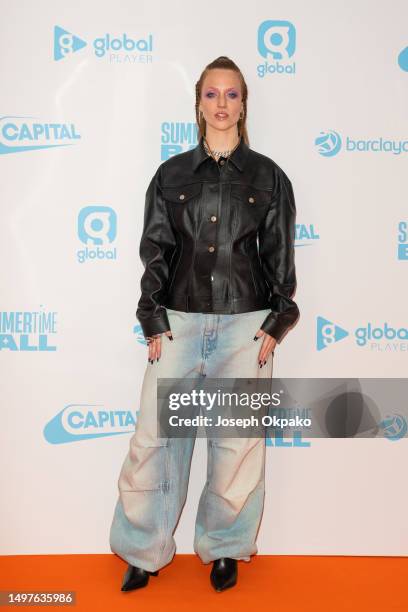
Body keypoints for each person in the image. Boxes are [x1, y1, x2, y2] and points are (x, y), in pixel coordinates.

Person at [109, 55, 300, 593]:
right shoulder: (171, 176)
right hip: (179, 326)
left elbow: (281, 257)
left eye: (232, 94)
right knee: (154, 441)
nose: (221, 104)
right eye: (212, 94)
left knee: (237, 444)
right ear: (199, 102)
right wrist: (152, 317)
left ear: (243, 104)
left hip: (246, 329)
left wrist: (277, 317)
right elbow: (157, 253)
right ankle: (143, 551)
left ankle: (224, 548)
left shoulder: (269, 177)